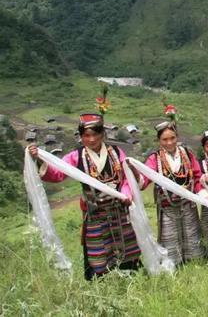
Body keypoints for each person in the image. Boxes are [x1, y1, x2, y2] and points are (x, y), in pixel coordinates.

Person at [29, 111, 141, 280]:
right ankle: (102, 283)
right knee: (99, 253)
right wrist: (39, 159)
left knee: (126, 248)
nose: (92, 140)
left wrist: (126, 193)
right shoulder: (76, 156)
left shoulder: (117, 153)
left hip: (119, 210)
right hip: (96, 213)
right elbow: (57, 173)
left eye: (95, 134)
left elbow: (126, 178)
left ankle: (130, 277)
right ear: (81, 137)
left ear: (102, 134)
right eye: (86, 135)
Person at [142, 105, 204, 264]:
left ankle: (194, 265)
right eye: (165, 139)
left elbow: (197, 176)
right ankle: (172, 267)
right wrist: (135, 177)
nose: (169, 142)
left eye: (172, 138)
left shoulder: (187, 154)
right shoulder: (153, 159)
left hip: (188, 205)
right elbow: (145, 178)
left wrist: (201, 192)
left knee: (192, 238)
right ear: (159, 140)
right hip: (167, 207)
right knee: (170, 242)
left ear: (177, 137)